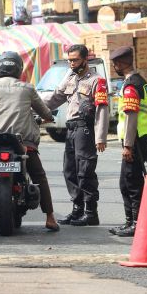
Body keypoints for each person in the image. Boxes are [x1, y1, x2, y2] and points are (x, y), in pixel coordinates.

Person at [0, 51, 59, 231]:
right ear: (19, 68)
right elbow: (44, 112)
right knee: (39, 176)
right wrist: (49, 117)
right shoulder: (27, 88)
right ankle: (50, 217)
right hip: (23, 142)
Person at [43, 44, 109, 226]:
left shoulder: (97, 80)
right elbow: (56, 97)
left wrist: (101, 137)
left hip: (85, 129)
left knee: (85, 170)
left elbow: (102, 109)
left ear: (85, 59)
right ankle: (77, 209)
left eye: (75, 60)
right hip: (71, 129)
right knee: (69, 170)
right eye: (69, 60)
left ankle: (90, 212)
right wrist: (33, 104)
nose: (71, 63)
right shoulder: (70, 77)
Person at [109, 46, 147, 237]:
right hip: (139, 137)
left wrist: (128, 145)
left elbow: (131, 116)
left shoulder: (131, 86)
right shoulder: (140, 81)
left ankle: (136, 223)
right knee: (125, 182)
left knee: (132, 182)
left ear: (121, 63)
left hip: (134, 139)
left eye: (115, 64)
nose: (115, 67)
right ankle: (130, 222)